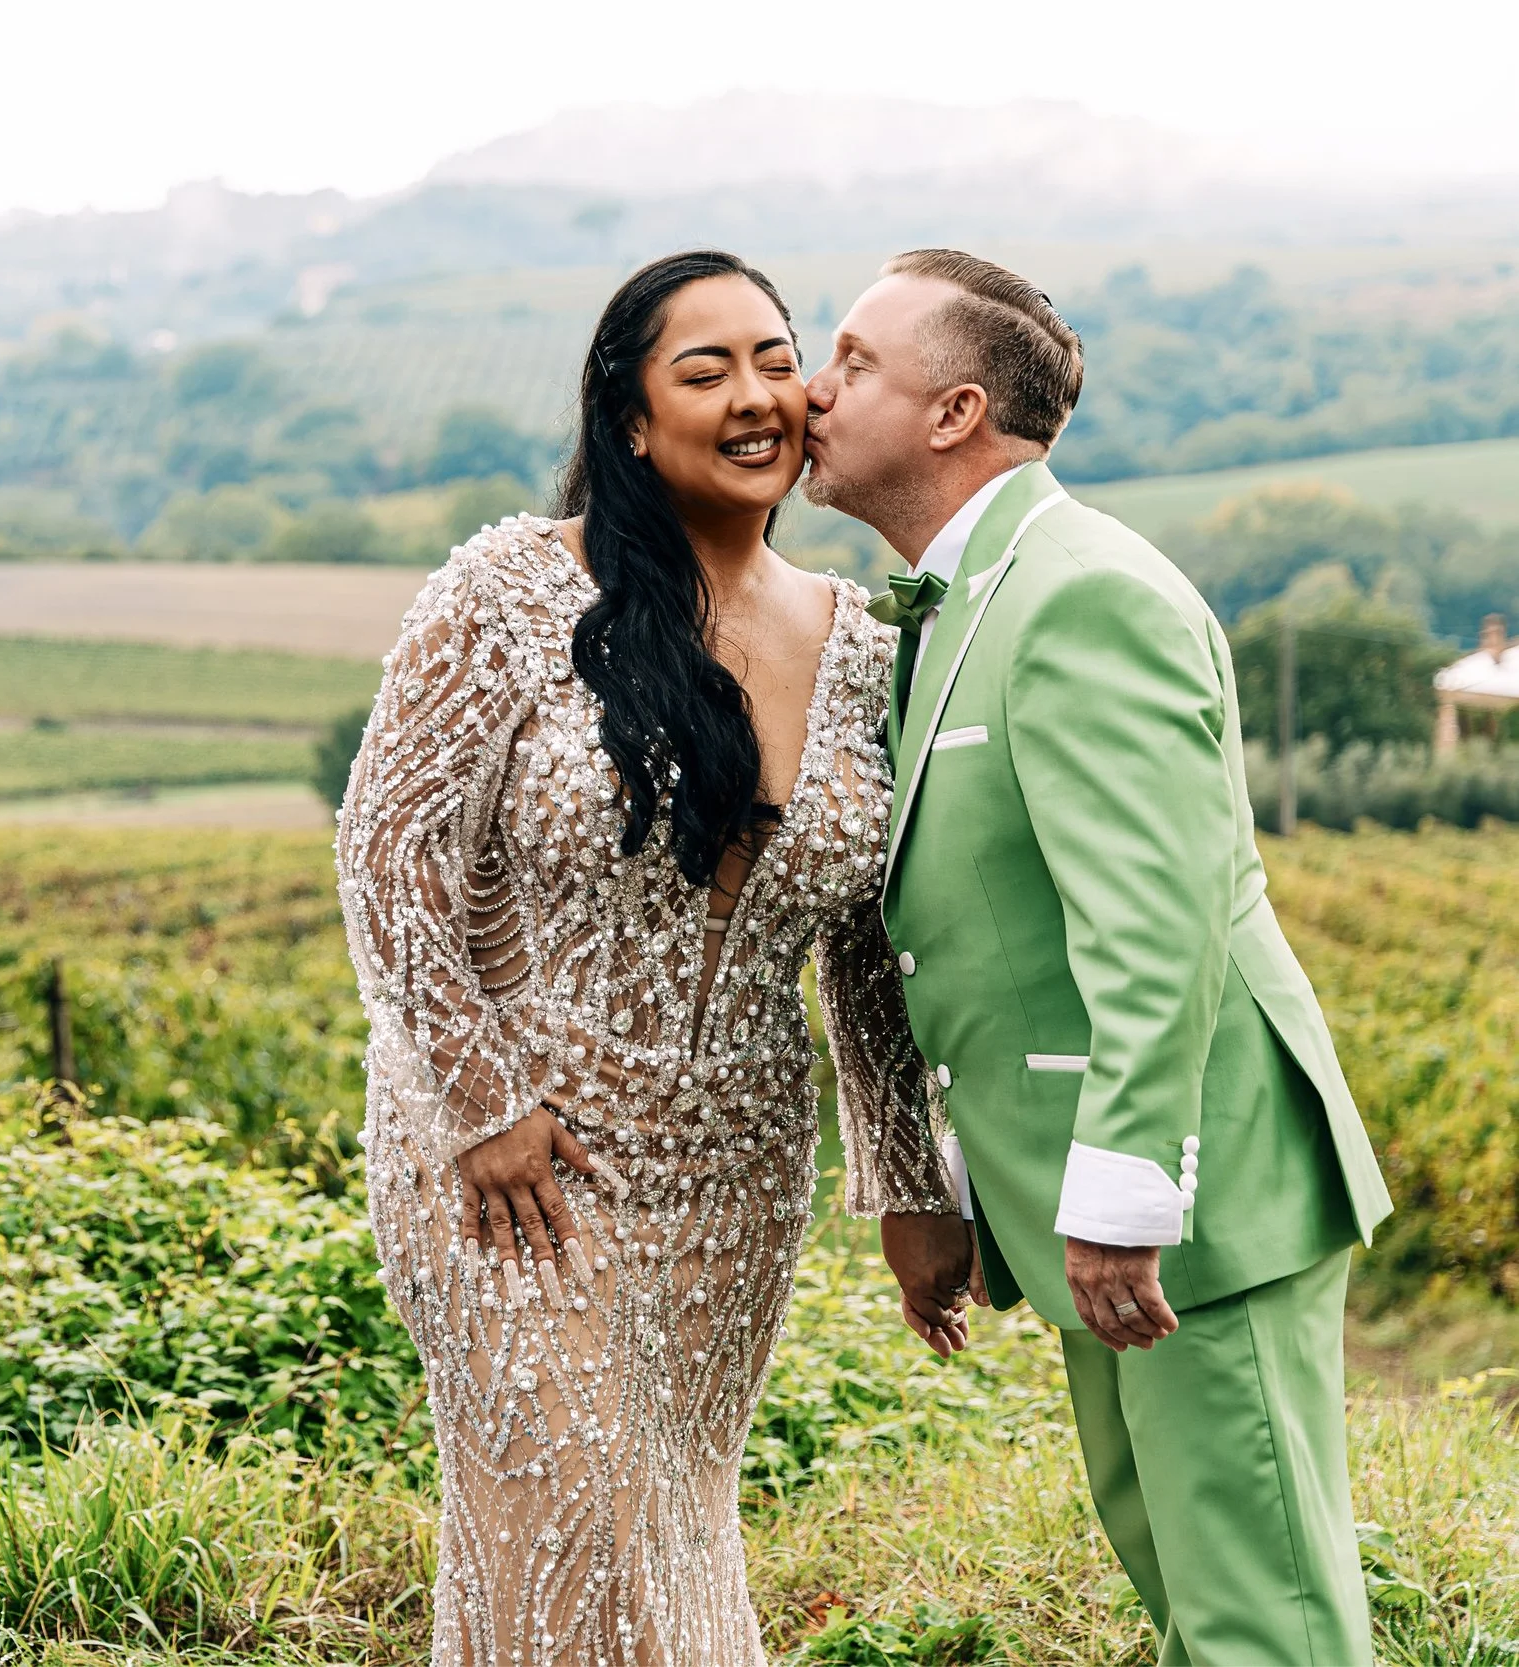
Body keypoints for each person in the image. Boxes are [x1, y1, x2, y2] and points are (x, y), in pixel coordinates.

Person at [335, 250, 959, 1666]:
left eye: (773, 359)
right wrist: (483, 1100)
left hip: (735, 1175)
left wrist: (912, 1183)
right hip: (517, 1163)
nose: (755, 397)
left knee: (667, 1525)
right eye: (705, 368)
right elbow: (392, 855)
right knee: (570, 1521)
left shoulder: (864, 645)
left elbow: (866, 948)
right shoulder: (504, 591)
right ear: (628, 416)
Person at [803, 248, 1394, 1665]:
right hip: (1090, 1200)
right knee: (1201, 1610)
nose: (811, 391)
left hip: (1190, 1202)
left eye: (853, 362)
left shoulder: (1080, 594)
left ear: (954, 412)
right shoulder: (968, 602)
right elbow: (989, 933)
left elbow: (1155, 920)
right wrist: (949, 1181)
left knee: (1266, 1627)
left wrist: (1127, 1193)